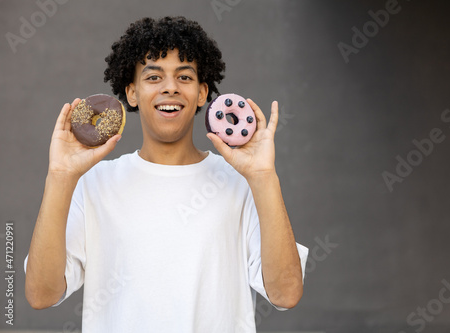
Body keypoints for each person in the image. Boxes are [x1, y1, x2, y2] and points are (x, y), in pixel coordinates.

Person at [24, 16, 308, 332]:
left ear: (202, 94)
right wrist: (60, 178)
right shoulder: (93, 184)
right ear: (131, 93)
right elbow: (41, 294)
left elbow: (286, 293)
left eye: (184, 77)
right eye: (154, 77)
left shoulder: (243, 183)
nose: (170, 87)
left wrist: (264, 178)